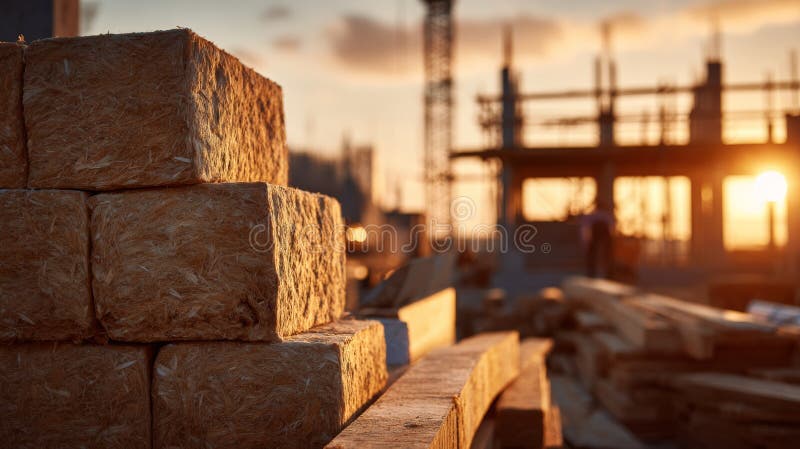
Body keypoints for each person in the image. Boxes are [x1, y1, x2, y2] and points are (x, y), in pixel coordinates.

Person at [581, 199, 615, 278]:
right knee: (603, 256)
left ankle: (594, 273)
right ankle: (606, 273)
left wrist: (585, 242)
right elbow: (612, 228)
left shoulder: (592, 217)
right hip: (599, 238)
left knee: (596, 256)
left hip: (600, 238)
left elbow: (584, 230)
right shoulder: (606, 216)